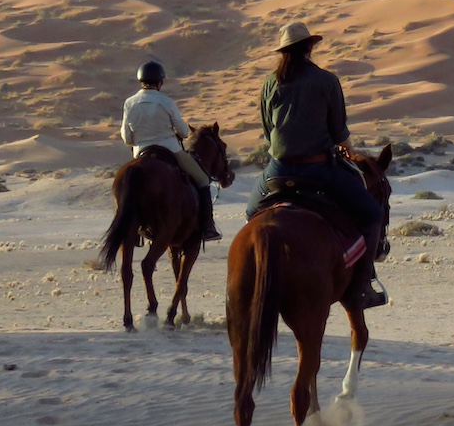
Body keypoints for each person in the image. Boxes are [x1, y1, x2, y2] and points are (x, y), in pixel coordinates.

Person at [244, 22, 388, 310]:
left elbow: (267, 129)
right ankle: (362, 285)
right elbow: (339, 131)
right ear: (310, 47)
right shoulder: (326, 80)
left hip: (278, 170)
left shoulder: (270, 83)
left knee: (251, 212)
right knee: (372, 214)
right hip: (318, 170)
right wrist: (349, 150)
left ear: (284, 51)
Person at [121, 60, 220, 241]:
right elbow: (183, 131)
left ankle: (132, 230)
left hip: (140, 152)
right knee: (203, 179)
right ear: (160, 82)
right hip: (170, 150)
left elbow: (126, 137)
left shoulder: (129, 103)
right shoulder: (166, 102)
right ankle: (207, 227)